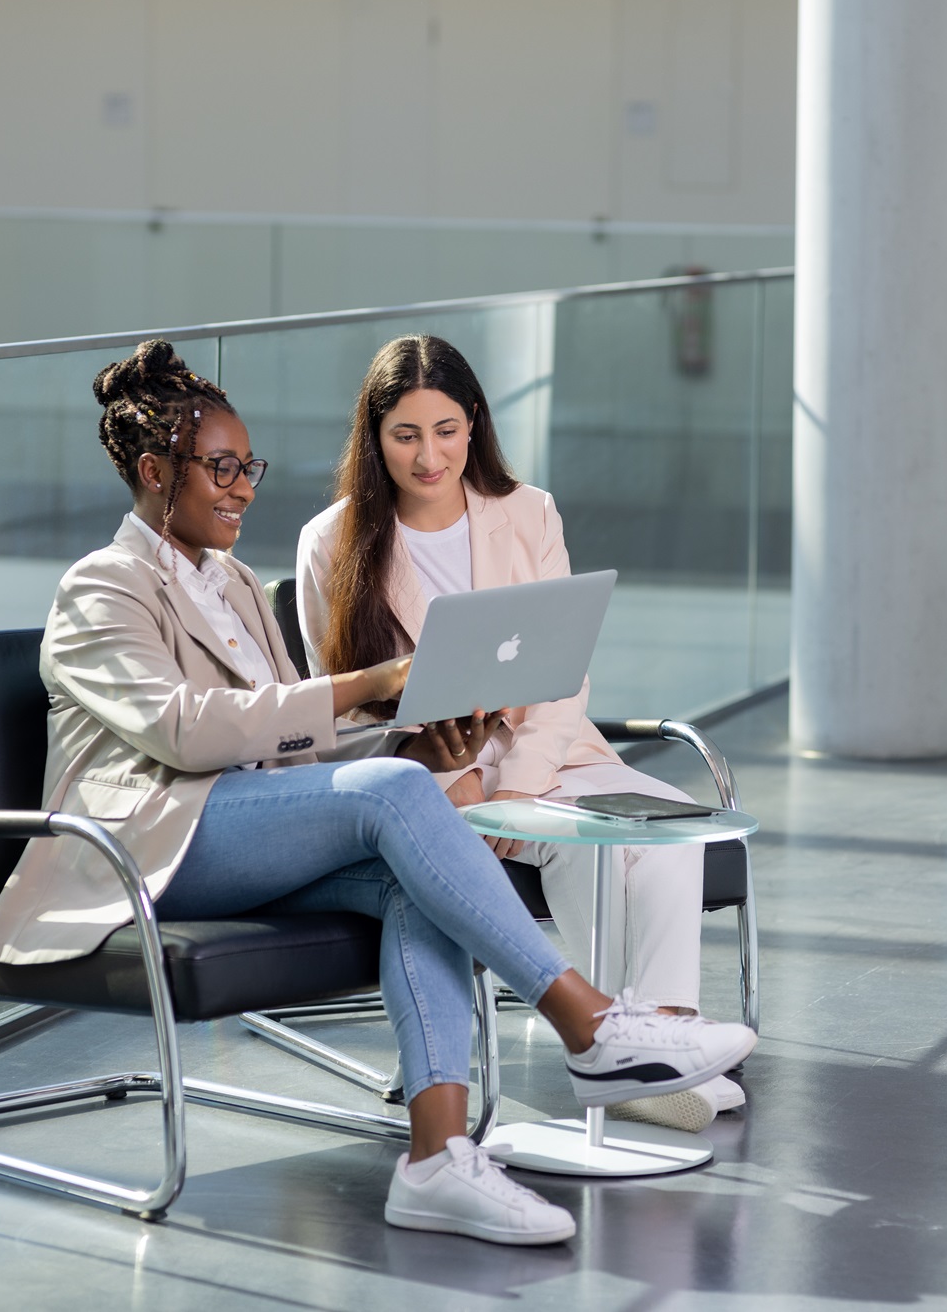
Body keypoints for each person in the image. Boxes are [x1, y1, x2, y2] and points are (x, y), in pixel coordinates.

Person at [0, 339, 754, 1245]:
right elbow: (186, 730)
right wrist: (367, 686)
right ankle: (593, 1024)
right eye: (219, 468)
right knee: (394, 797)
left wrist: (411, 737)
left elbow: (297, 743)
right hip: (150, 846)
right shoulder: (101, 587)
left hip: (253, 827)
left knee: (411, 876)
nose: (242, 487)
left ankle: (437, 1159)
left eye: (247, 466)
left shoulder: (228, 583)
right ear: (153, 471)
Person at [297, 334, 744, 1135]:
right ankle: (625, 1049)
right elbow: (341, 712)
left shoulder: (527, 510)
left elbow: (563, 669)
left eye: (445, 430)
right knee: (574, 845)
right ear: (375, 437)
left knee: (670, 829)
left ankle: (665, 1043)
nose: (429, 455)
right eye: (405, 435)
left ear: (473, 425)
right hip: (421, 780)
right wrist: (451, 779)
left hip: (547, 753)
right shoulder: (332, 542)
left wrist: (525, 780)